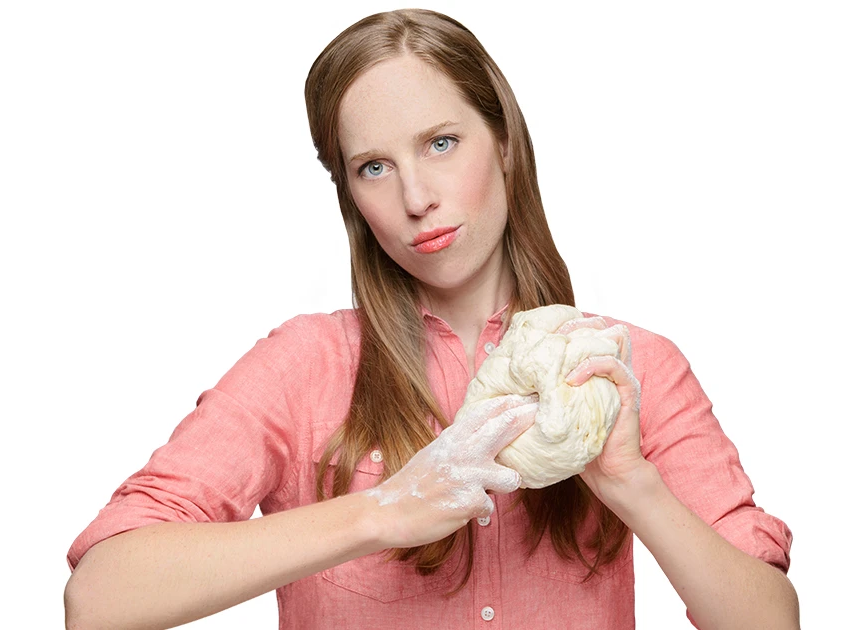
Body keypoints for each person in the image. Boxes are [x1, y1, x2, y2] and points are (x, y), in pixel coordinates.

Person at [63, 9, 798, 630]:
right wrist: (381, 511)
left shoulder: (624, 363)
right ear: (351, 195)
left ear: (504, 142)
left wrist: (634, 485)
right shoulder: (303, 366)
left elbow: (771, 620)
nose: (416, 198)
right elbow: (99, 599)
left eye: (441, 144)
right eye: (373, 167)